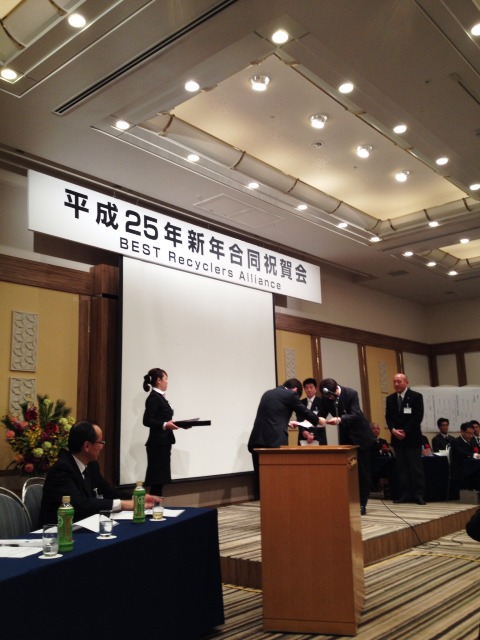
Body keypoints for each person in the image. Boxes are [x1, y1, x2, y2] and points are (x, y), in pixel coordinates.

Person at [40, 419, 160, 524]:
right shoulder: (62, 469)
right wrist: (123, 504)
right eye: (100, 442)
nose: (102, 447)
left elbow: (107, 491)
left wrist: (136, 498)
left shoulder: (91, 465)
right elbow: (79, 504)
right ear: (87, 446)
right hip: (58, 532)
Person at [247, 378, 326, 499]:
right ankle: (277, 503)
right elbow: (303, 411)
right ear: (295, 390)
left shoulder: (268, 393)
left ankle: (263, 503)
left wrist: (288, 423)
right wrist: (318, 420)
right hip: (274, 442)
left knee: (261, 477)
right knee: (276, 477)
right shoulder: (290, 394)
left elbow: (271, 416)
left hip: (257, 439)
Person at [318, 378, 374, 515]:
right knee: (347, 471)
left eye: (331, 396)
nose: (329, 399)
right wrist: (312, 423)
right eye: (327, 397)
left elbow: (356, 414)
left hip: (361, 436)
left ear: (336, 389)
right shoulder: (326, 398)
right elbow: (320, 415)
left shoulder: (351, 393)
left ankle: (362, 504)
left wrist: (340, 419)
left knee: (362, 472)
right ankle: (349, 501)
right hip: (345, 437)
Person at [385, 372, 426, 505]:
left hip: (412, 438)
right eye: (394, 382)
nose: (396, 384)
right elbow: (388, 417)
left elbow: (418, 416)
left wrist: (405, 431)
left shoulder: (416, 396)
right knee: (401, 468)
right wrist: (393, 430)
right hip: (397, 438)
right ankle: (404, 494)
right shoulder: (390, 399)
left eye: (399, 381)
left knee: (415, 468)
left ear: (406, 382)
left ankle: (418, 494)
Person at [143, 367, 179, 497]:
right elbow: (147, 420)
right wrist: (165, 424)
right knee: (157, 479)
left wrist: (175, 424)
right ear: (158, 380)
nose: (167, 382)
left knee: (160, 480)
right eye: (166, 379)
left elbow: (161, 418)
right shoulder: (154, 397)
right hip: (157, 444)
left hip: (163, 442)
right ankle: (153, 506)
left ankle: (155, 505)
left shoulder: (160, 397)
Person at [449, 422, 480, 490]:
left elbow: (477, 450)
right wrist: (474, 455)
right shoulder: (455, 441)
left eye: (472, 433)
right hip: (460, 469)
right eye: (469, 433)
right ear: (462, 431)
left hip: (472, 467)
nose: (471, 435)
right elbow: (461, 453)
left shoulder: (473, 440)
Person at [297, 378, 327, 445]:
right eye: (306, 388)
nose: (309, 390)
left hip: (318, 436)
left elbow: (321, 419)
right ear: (304, 389)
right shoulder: (300, 403)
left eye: (311, 387)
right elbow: (299, 418)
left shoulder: (322, 402)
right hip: (303, 436)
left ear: (316, 389)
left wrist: (312, 433)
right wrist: (304, 431)